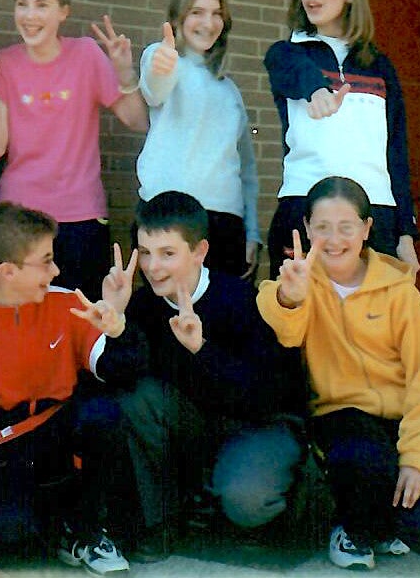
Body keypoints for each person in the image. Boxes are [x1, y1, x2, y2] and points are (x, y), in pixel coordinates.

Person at [258, 176, 420, 570]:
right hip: (344, 417)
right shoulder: (298, 281)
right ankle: (354, 527)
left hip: (404, 417)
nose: (334, 239)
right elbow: (284, 328)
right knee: (364, 459)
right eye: (322, 227)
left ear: (367, 228)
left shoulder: (399, 290)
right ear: (306, 228)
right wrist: (291, 297)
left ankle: (383, 520)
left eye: (346, 227)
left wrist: (417, 458)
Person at [0, 201, 145, 576]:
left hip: (60, 435)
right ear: (8, 271)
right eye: (46, 261)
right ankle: (55, 528)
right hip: (7, 452)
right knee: (12, 530)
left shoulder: (67, 302)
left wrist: (118, 326)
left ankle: (85, 531)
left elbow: (119, 371)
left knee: (102, 413)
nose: (56, 269)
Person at [116, 191, 306, 561]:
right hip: (194, 425)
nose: (153, 267)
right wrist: (116, 325)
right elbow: (125, 382)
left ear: (200, 251)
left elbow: (265, 397)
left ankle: (289, 493)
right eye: (146, 253)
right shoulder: (141, 305)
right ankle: (165, 520)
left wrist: (202, 349)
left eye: (168, 253)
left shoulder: (241, 299)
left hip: (258, 426)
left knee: (247, 502)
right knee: (137, 397)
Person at [0, 0, 149, 295]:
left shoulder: (87, 55)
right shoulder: (5, 62)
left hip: (81, 219)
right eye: (22, 4)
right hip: (18, 222)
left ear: (63, 11)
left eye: (42, 5)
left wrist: (124, 74)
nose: (30, 16)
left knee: (80, 324)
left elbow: (137, 121)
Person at [263, 0, 418, 278]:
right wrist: (316, 90)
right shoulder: (286, 54)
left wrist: (406, 233)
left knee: (371, 326)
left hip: (375, 214)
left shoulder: (380, 66)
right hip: (305, 209)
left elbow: (396, 153)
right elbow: (290, 70)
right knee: (300, 324)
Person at [136, 0, 261, 279]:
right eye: (197, 12)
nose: (208, 23)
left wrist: (252, 230)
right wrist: (162, 67)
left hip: (225, 223)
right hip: (168, 218)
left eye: (216, 14)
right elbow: (155, 90)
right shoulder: (163, 56)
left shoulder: (229, 90)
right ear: (179, 17)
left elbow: (246, 168)